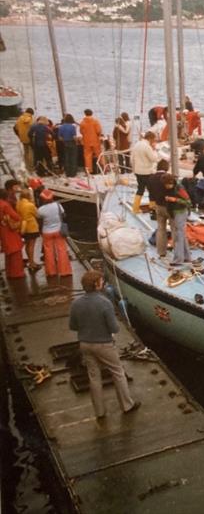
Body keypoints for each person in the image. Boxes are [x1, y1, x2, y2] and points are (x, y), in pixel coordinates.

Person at [68, 270, 140, 419]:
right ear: (96, 285)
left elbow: (73, 326)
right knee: (118, 373)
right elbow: (114, 328)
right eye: (101, 281)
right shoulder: (105, 303)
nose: (103, 283)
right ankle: (127, 405)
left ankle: (100, 412)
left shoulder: (76, 303)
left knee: (94, 377)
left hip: (85, 345)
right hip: (104, 345)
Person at [36, 189, 72, 277]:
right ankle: (65, 271)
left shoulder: (40, 209)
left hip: (46, 232)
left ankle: (51, 272)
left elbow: (39, 221)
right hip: (59, 230)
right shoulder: (58, 205)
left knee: (48, 252)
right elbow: (64, 215)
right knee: (62, 250)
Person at [162, 174, 193, 265]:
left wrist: (175, 200)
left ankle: (178, 259)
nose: (167, 187)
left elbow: (188, 202)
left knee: (179, 236)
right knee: (181, 235)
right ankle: (187, 257)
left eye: (168, 185)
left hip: (181, 212)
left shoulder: (179, 188)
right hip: (175, 213)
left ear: (172, 183)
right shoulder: (170, 189)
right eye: (165, 185)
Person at [146, 159, 171, 258]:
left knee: (161, 229)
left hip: (158, 206)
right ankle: (179, 254)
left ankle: (161, 252)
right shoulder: (168, 177)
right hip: (169, 206)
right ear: (166, 167)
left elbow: (150, 191)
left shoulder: (150, 178)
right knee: (175, 229)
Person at [130, 131, 159, 213]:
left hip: (137, 171)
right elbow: (154, 159)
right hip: (147, 172)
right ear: (150, 139)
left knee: (140, 189)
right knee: (152, 190)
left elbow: (132, 159)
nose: (154, 142)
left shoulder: (137, 145)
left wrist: (134, 169)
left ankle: (135, 209)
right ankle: (152, 207)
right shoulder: (147, 147)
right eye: (153, 140)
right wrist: (154, 149)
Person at [0, 189, 25, 279]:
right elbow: (15, 216)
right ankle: (17, 273)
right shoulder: (5, 205)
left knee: (8, 252)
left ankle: (9, 272)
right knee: (15, 251)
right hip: (9, 230)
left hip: (2, 229)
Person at [16, 188, 41, 272]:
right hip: (32, 227)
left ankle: (31, 261)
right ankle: (31, 263)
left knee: (27, 245)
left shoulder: (18, 204)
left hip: (23, 227)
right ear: (28, 196)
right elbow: (37, 215)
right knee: (31, 246)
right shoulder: (30, 205)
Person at [79, 109, 103, 174]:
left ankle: (89, 170)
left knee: (87, 156)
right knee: (99, 155)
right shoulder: (95, 121)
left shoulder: (82, 122)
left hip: (86, 141)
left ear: (85, 114)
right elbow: (99, 131)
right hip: (95, 140)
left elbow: (81, 132)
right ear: (92, 113)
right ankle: (103, 168)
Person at [14, 108, 36, 172]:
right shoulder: (30, 118)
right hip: (30, 137)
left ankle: (27, 166)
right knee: (31, 152)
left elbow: (15, 128)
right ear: (31, 113)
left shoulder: (20, 118)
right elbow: (33, 128)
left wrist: (19, 135)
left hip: (22, 138)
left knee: (26, 152)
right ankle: (32, 167)